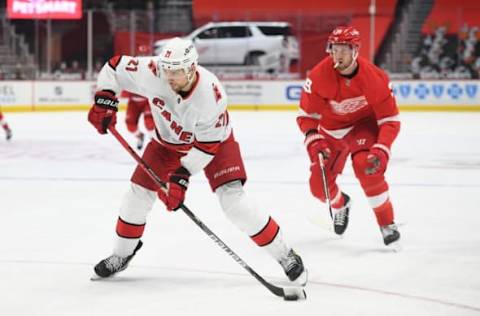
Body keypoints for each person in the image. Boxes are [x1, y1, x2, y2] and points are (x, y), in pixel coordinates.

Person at [87, 37, 307, 283]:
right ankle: (121, 254)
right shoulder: (152, 71)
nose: (169, 77)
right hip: (165, 144)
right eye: (167, 70)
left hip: (214, 145)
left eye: (177, 72)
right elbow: (114, 67)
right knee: (136, 196)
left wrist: (179, 180)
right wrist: (105, 99)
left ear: (191, 68)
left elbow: (206, 147)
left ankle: (285, 254)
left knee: (234, 203)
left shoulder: (210, 96)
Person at [297, 26, 401, 246]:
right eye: (334, 48)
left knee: (366, 166)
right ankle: (340, 203)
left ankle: (386, 223)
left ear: (356, 51)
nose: (338, 54)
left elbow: (389, 119)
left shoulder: (375, 78)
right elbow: (307, 116)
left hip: (363, 126)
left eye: (344, 49)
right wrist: (314, 140)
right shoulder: (318, 76)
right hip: (331, 131)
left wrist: (382, 147)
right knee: (319, 187)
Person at [125, 45, 155, 150]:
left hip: (148, 100)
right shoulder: (130, 68)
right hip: (134, 101)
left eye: (145, 55)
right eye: (141, 55)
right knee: (130, 126)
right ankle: (139, 136)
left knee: (149, 123)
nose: (143, 58)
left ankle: (154, 141)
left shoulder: (155, 68)